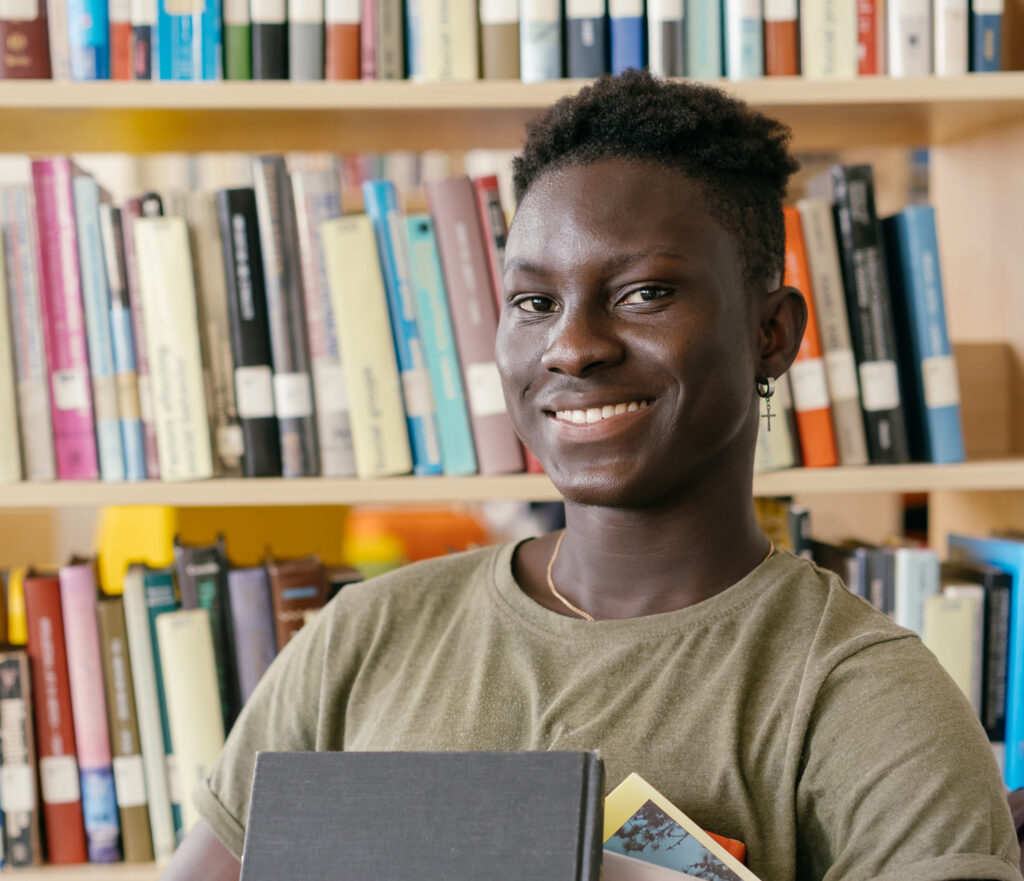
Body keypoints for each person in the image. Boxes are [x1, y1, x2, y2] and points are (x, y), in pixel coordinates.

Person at [162, 71, 1020, 881]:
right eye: (534, 303)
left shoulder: (867, 698)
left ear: (772, 334)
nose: (573, 346)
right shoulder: (364, 636)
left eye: (644, 293)